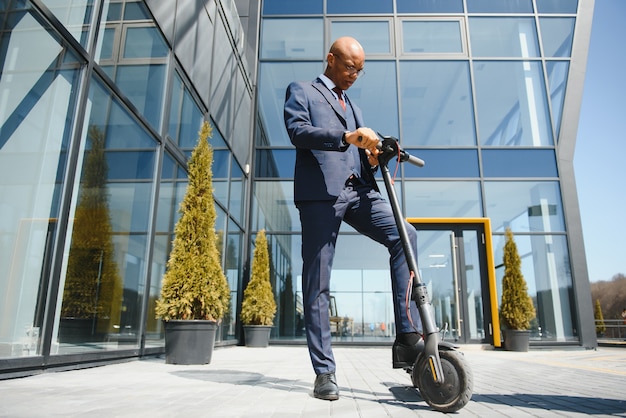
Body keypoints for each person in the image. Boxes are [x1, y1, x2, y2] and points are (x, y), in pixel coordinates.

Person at [284, 36, 422, 401]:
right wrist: (346, 136)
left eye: (360, 70)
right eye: (349, 67)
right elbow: (298, 133)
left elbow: (363, 159)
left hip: (359, 192)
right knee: (317, 281)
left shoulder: (355, 106)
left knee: (405, 235)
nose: (354, 75)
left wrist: (375, 158)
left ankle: (409, 335)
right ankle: (324, 372)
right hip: (320, 196)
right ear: (330, 59)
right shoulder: (302, 90)